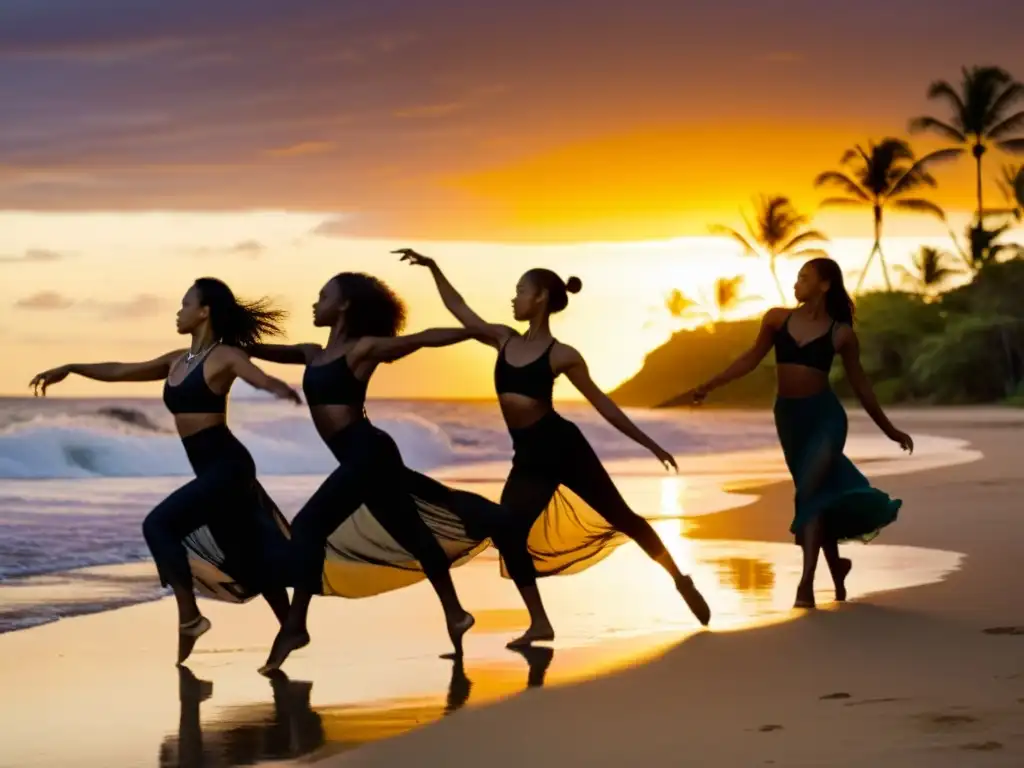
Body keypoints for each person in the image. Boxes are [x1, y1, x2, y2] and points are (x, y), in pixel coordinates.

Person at [398, 248, 711, 646]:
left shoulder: (561, 354)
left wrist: (649, 443)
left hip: (563, 447)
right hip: (528, 455)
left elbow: (603, 405)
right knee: (508, 532)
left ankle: (680, 580)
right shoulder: (502, 338)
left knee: (623, 517)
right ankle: (540, 623)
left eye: (521, 291)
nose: (514, 298)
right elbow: (461, 309)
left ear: (541, 297)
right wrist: (433, 268)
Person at [29, 278, 302, 663]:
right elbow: (122, 370)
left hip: (228, 466)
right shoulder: (177, 360)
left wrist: (277, 388)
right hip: (209, 468)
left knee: (159, 525)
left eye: (185, 303)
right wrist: (72, 368)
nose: (179, 311)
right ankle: (292, 627)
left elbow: (253, 373)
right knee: (248, 552)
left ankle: (189, 618)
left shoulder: (223, 356)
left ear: (204, 311)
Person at [253, 272, 494, 674]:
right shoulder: (313, 353)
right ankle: (456, 613)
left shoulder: (361, 350)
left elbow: (419, 339)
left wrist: (473, 332)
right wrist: (225, 340)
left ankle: (295, 626)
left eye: (323, 295)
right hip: (361, 456)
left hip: (367, 452)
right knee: (413, 534)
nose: (315, 303)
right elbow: (263, 350)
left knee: (309, 526)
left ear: (344, 305)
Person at [660, 258, 912, 608]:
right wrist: (710, 385)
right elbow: (749, 359)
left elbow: (862, 386)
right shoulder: (777, 319)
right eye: (797, 277)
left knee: (808, 491)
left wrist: (890, 429)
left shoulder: (841, 334)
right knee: (818, 494)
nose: (797, 284)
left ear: (824, 285)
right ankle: (836, 565)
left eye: (804, 278)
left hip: (825, 418)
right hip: (790, 419)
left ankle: (805, 585)